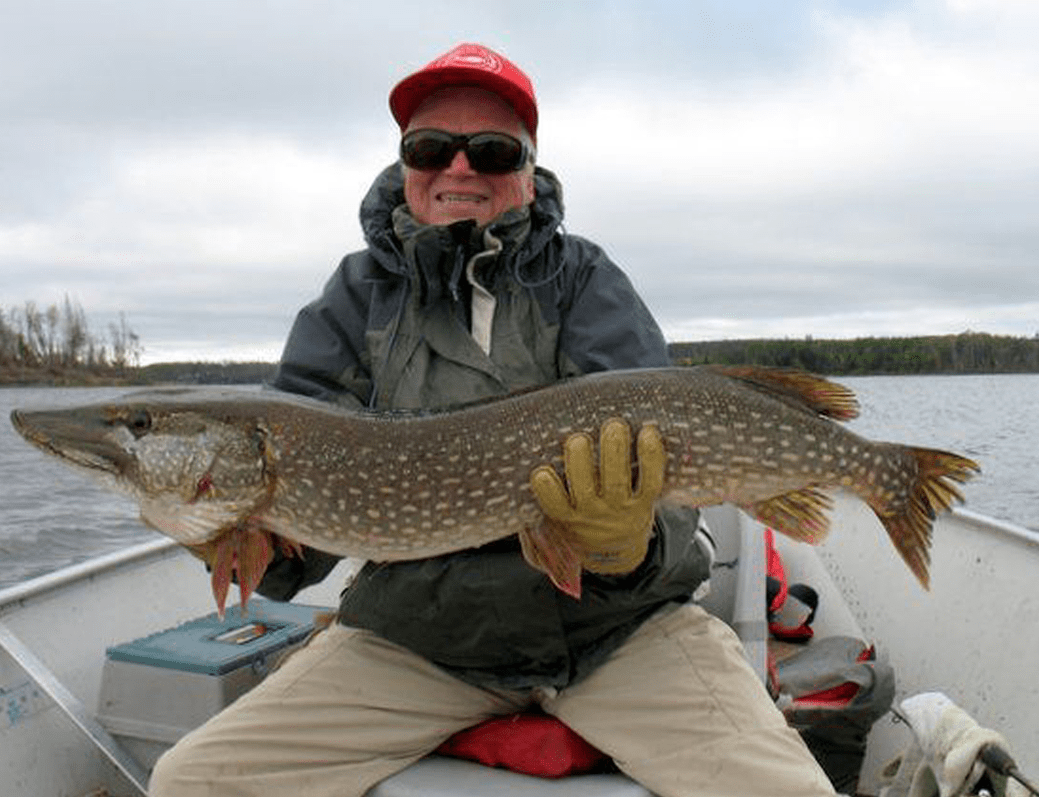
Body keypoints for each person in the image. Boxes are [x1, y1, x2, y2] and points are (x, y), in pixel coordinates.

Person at [149, 43, 838, 797]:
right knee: (195, 781)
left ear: (528, 173)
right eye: (431, 146)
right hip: (418, 638)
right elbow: (293, 560)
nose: (460, 168)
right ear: (405, 163)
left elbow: (679, 468)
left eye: (492, 149)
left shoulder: (584, 280)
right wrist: (213, 522)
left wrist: (625, 543)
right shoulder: (355, 299)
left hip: (617, 630)